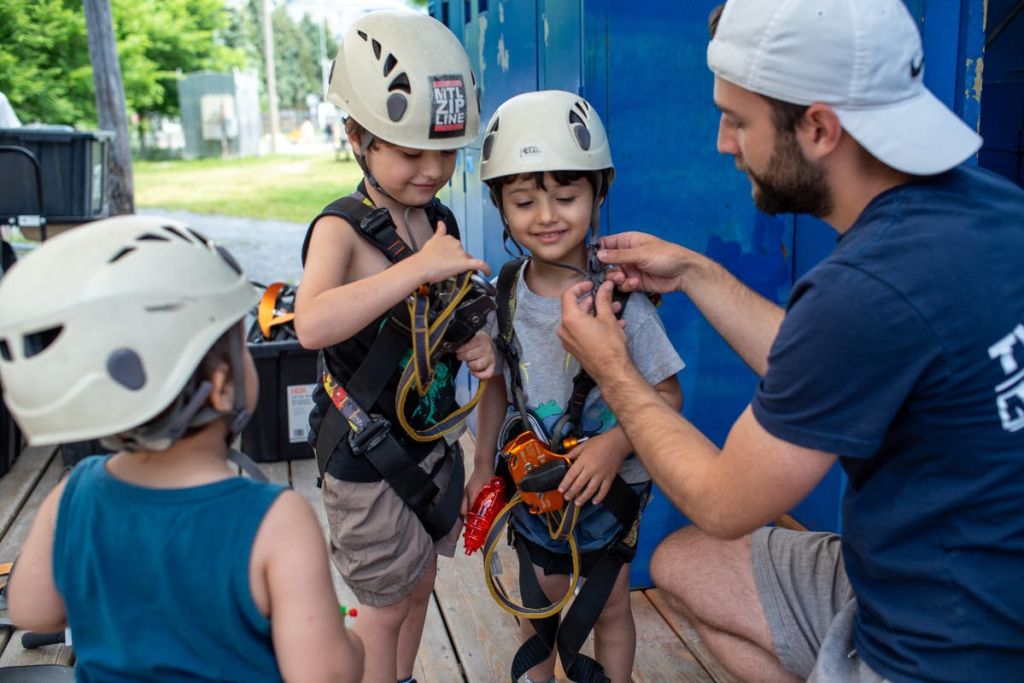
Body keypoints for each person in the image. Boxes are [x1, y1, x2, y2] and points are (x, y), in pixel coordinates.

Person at [557, 1, 1024, 682]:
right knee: (681, 563)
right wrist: (695, 270)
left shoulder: (865, 286)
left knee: (705, 537)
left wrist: (612, 368)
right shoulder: (987, 207)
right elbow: (834, 364)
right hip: (957, 580)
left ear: (819, 127)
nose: (724, 142)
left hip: (941, 651)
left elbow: (723, 500)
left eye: (739, 121)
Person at [2, 215, 363, 682]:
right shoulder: (277, 520)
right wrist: (347, 641)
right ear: (221, 385)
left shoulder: (75, 493)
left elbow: (32, 610)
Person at [294, 11, 494, 683]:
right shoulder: (341, 229)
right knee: (379, 607)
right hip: (365, 453)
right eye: (412, 153)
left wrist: (469, 339)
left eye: (447, 153)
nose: (434, 169)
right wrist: (414, 268)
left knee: (417, 584)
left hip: (429, 443)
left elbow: (441, 305)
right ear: (357, 137)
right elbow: (312, 323)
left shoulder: (436, 218)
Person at [471, 90, 684, 683]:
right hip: (532, 489)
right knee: (535, 604)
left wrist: (615, 445)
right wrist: (483, 466)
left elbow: (668, 400)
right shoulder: (505, 295)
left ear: (597, 193)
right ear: (500, 205)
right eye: (523, 200)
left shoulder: (621, 303)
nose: (546, 216)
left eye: (566, 196)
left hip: (608, 496)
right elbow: (495, 387)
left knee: (610, 607)